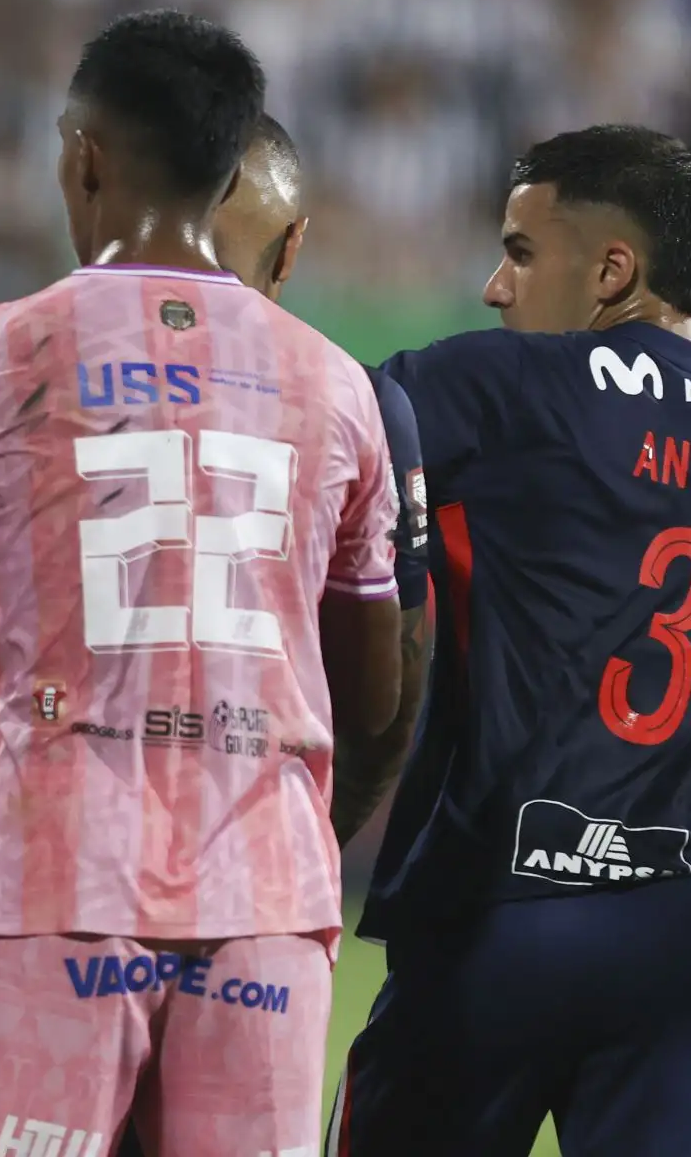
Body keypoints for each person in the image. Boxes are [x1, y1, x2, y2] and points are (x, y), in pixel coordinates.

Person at [0, 11, 405, 1157]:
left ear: (83, 154)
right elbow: (374, 688)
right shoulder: (334, 386)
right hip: (265, 907)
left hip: (44, 885)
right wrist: (299, 832)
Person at [330, 125, 691, 1157]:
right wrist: (674, 896)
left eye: (516, 250)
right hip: (677, 939)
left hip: (492, 915)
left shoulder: (496, 388)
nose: (492, 289)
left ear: (611, 269)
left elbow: (310, 429)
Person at [209, 114, 432, 844]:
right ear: (294, 244)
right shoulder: (360, 402)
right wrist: (316, 852)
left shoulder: (28, 373)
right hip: (265, 875)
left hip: (70, 875)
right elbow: (385, 695)